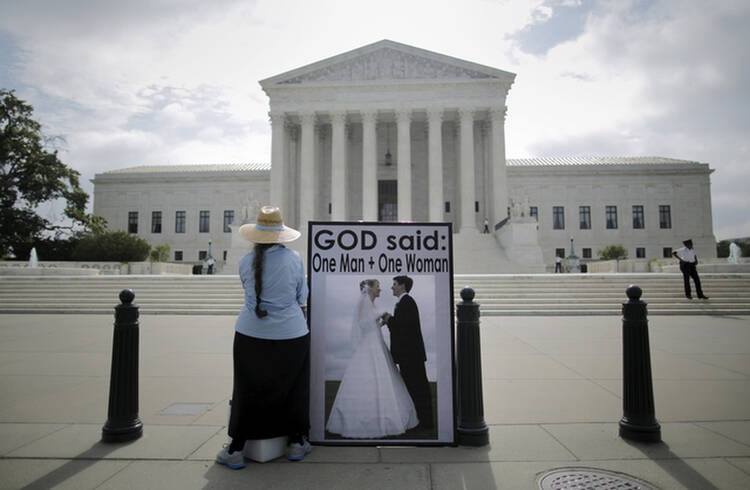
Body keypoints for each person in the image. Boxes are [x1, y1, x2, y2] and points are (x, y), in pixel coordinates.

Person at [216, 206, 311, 470]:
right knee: (292, 389)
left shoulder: (245, 262)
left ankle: (236, 449)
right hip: (291, 334)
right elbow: (302, 297)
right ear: (281, 234)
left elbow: (249, 293)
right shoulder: (294, 259)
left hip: (250, 334)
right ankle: (295, 443)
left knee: (247, 390)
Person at [326, 279, 418, 438]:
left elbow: (371, 323)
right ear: (369, 289)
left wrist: (380, 321)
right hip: (369, 344)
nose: (380, 289)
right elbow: (362, 323)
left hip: (377, 342)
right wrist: (380, 315)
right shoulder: (365, 304)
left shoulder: (372, 305)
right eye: (377, 287)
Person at [383, 275, 434, 430]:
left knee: (418, 388)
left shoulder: (407, 302)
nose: (392, 287)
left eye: (394, 284)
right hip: (409, 356)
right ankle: (421, 420)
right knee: (414, 387)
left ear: (403, 286)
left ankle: (426, 422)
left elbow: (403, 327)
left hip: (411, 356)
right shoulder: (404, 303)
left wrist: (389, 319)